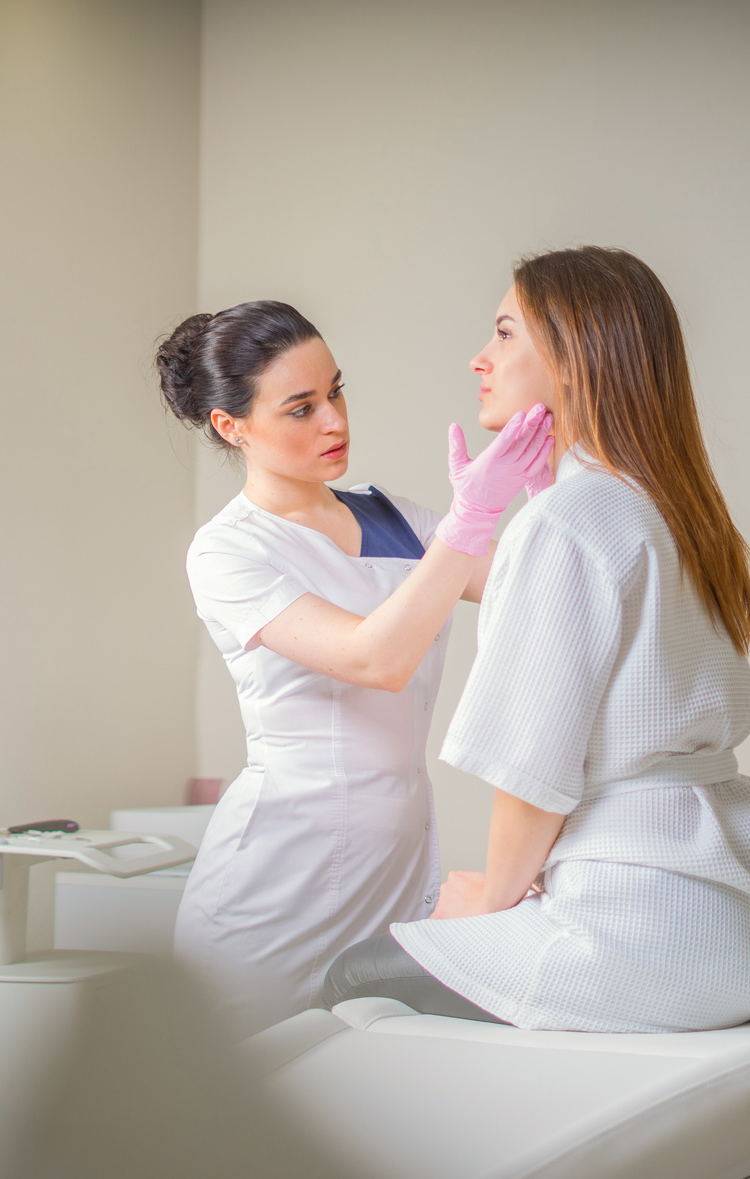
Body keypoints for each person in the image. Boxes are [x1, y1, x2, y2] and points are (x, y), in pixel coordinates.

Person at [320, 248, 750, 1032]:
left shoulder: (566, 523)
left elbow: (531, 773)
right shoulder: (676, 510)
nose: (480, 358)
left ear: (575, 356)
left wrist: (488, 901)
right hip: (748, 929)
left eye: (505, 333)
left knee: (354, 974)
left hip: (635, 936)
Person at [157, 300, 552, 1037]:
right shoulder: (229, 551)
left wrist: (545, 495)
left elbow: (542, 592)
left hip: (393, 862)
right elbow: (376, 659)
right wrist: (467, 525)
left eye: (336, 392)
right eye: (301, 408)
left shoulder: (396, 520)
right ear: (230, 425)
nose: (334, 422)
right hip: (278, 871)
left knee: (364, 1085)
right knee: (239, 1104)